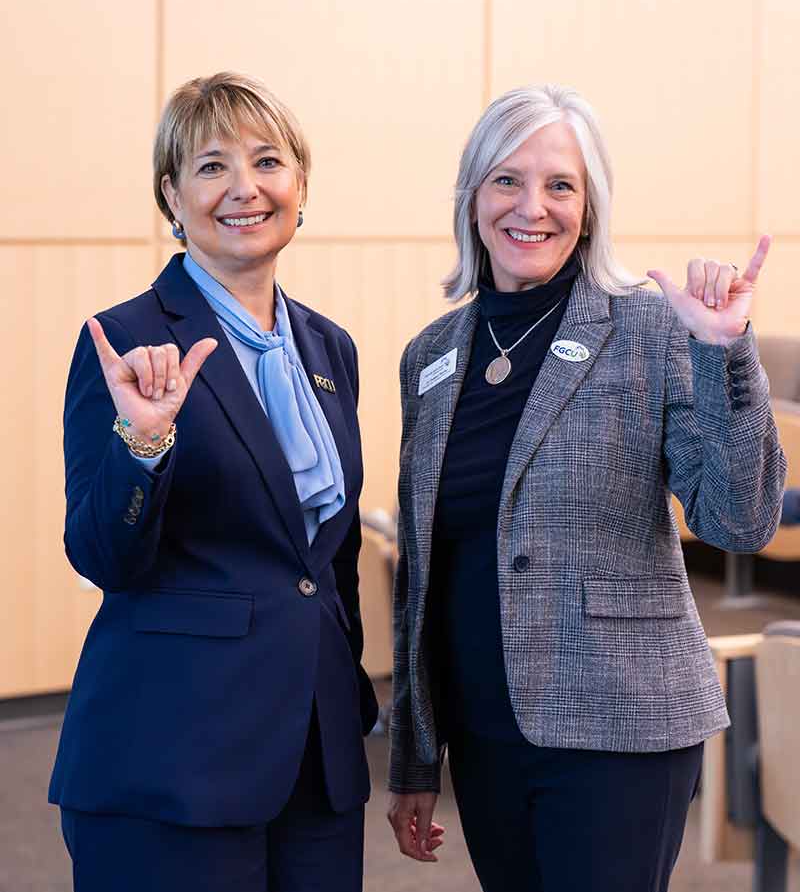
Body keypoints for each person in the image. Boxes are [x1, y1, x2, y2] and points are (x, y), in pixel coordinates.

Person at [386, 84, 786, 892]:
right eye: (507, 180)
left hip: (621, 727)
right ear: (472, 196)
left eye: (560, 185)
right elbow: (425, 575)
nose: (533, 206)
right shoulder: (430, 355)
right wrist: (415, 754)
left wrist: (725, 352)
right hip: (486, 733)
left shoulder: (650, 330)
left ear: (591, 206)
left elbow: (740, 522)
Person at [49, 72, 378, 892]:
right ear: (171, 194)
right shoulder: (127, 340)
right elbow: (101, 555)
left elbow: (328, 564)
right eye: (209, 166)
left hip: (315, 756)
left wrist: (355, 704)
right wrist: (144, 441)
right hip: (175, 754)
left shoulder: (329, 349)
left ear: (300, 186)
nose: (244, 188)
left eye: (268, 161)